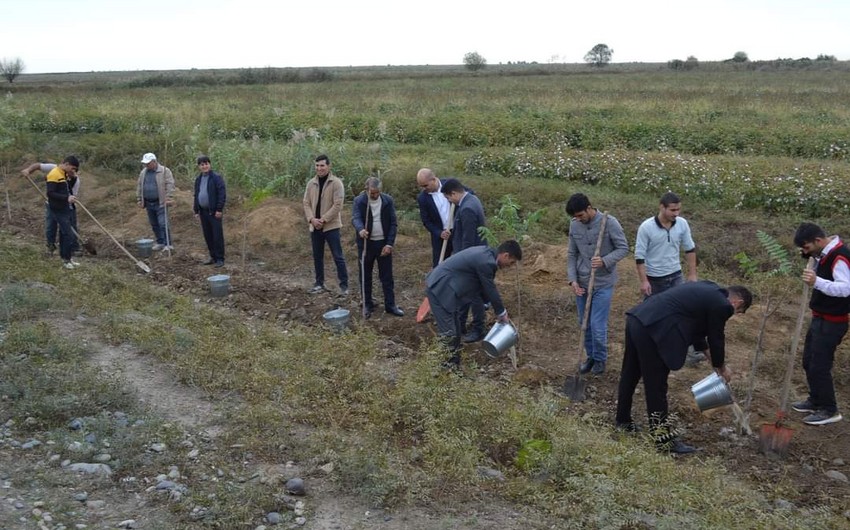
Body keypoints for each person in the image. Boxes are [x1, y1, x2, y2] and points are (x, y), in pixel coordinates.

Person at [614, 281, 752, 453]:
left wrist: (711, 359)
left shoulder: (709, 289)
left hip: (638, 319)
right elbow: (717, 338)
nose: (733, 314)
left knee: (630, 373)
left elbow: (698, 328)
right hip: (655, 331)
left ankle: (623, 421)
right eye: (738, 312)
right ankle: (662, 440)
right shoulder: (723, 306)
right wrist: (721, 367)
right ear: (737, 303)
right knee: (656, 386)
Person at [426, 241, 522, 367]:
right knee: (449, 335)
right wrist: (501, 313)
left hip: (449, 291)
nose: (510, 266)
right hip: (440, 290)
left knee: (456, 332)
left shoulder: (486, 255)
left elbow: (481, 287)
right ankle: (443, 371)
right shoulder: (486, 262)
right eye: (512, 262)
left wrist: (487, 303)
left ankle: (453, 368)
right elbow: (490, 288)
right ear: (506, 255)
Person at [635, 191, 703, 366]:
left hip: (675, 276)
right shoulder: (646, 227)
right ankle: (646, 348)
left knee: (684, 313)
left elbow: (690, 249)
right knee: (652, 315)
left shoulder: (682, 224)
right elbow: (640, 257)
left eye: (678, 209)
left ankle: (688, 352)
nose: (676, 213)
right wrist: (644, 281)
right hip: (654, 279)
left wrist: (692, 273)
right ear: (662, 207)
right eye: (672, 210)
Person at [791, 222, 848, 425]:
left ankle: (829, 409)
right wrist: (811, 260)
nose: (804, 252)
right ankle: (816, 400)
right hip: (819, 317)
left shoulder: (840, 256)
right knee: (809, 361)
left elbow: (845, 289)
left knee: (820, 366)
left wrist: (817, 282)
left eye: (806, 247)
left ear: (818, 240)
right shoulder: (821, 254)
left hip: (833, 321)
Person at [566, 193, 629, 375]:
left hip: (603, 282)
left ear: (589, 208)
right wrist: (573, 280)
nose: (578, 219)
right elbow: (571, 254)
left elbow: (623, 248)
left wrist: (604, 260)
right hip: (582, 282)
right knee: (583, 323)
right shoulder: (574, 225)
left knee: (596, 324)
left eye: (580, 215)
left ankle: (600, 359)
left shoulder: (609, 223)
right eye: (575, 217)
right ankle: (591, 356)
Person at [442, 178, 488, 342]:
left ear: (454, 193)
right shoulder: (472, 199)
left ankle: (478, 329)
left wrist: (461, 262)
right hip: (473, 256)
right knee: (463, 293)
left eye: (449, 198)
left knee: (473, 295)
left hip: (471, 259)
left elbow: (468, 240)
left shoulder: (467, 208)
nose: (449, 201)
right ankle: (459, 325)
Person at [352, 177, 404, 318]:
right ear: (366, 190)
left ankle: (390, 305)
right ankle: (367, 304)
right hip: (366, 245)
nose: (374, 195)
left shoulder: (387, 201)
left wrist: (389, 244)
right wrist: (361, 229)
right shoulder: (359, 201)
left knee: (387, 277)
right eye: (371, 193)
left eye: (377, 192)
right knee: (365, 276)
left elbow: (393, 223)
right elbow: (355, 218)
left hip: (383, 244)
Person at [302, 154, 349, 295]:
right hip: (314, 226)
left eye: (322, 165)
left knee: (337, 256)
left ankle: (344, 286)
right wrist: (312, 219)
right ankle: (319, 283)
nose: (319, 168)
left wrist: (323, 220)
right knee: (317, 256)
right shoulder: (311, 183)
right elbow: (306, 202)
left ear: (329, 166)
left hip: (331, 226)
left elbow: (338, 205)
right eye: (317, 165)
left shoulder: (336, 183)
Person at [20, 159, 81, 256]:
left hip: (66, 205)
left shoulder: (75, 180)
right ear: (66, 166)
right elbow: (37, 165)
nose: (70, 174)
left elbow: (72, 196)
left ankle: (74, 248)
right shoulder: (54, 169)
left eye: (73, 173)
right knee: (51, 226)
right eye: (70, 171)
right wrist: (28, 170)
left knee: (70, 227)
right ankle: (51, 248)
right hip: (52, 204)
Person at [38, 156, 82, 269]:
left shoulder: (64, 174)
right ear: (66, 164)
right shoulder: (54, 174)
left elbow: (66, 189)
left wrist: (73, 181)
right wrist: (66, 198)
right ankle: (66, 260)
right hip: (57, 208)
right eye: (72, 168)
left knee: (65, 234)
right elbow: (51, 193)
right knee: (68, 234)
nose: (73, 171)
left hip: (65, 208)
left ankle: (67, 257)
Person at [136, 152, 175, 252]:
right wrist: (139, 199)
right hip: (149, 203)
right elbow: (140, 186)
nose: (146, 165)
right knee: (154, 224)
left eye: (148, 163)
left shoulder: (164, 171)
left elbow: (170, 185)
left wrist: (169, 197)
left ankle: (168, 244)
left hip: (161, 202)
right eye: (145, 164)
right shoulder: (143, 172)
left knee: (163, 224)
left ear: (154, 162)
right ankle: (160, 242)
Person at [416, 168, 455, 267]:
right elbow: (426, 221)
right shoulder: (423, 198)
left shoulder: (450, 184)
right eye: (421, 186)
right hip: (440, 237)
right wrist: (439, 233)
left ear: (433, 179)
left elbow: (468, 193)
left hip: (457, 232)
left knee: (459, 262)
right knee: (439, 265)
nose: (424, 188)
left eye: (425, 185)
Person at [192, 155, 226, 267]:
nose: (205, 166)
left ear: (210, 165)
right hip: (203, 212)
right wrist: (196, 210)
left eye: (206, 164)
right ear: (199, 167)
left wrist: (219, 209)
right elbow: (196, 194)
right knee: (208, 235)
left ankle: (220, 258)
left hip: (214, 212)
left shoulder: (216, 178)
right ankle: (213, 257)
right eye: (202, 164)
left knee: (217, 236)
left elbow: (222, 194)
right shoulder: (198, 179)